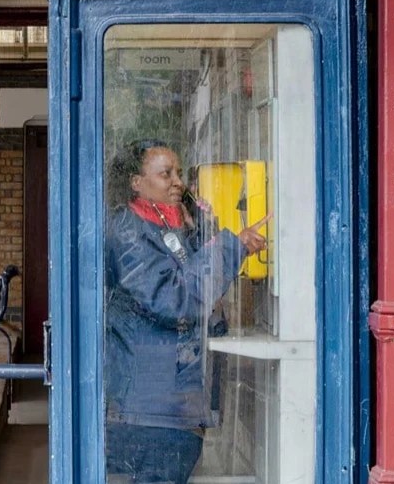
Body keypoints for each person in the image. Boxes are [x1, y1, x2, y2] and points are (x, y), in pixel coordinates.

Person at [104, 139, 270, 483]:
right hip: (150, 409)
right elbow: (174, 299)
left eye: (179, 173)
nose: (178, 182)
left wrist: (203, 229)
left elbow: (201, 294)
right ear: (137, 182)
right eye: (166, 174)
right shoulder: (128, 232)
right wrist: (231, 247)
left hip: (172, 403)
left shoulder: (167, 224)